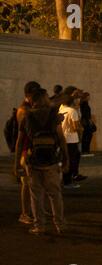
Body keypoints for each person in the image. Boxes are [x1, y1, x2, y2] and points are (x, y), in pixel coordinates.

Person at [14, 88, 69, 235]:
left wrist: (16, 165)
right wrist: (66, 159)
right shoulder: (54, 116)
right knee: (55, 194)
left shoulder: (27, 117)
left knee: (36, 196)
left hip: (34, 161)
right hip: (51, 160)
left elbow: (20, 142)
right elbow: (61, 139)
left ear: (32, 100)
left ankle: (40, 226)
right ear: (45, 99)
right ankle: (60, 224)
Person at [15, 81, 41, 225]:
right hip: (27, 151)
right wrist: (16, 163)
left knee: (34, 184)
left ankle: (32, 211)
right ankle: (25, 213)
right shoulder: (24, 110)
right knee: (27, 184)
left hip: (32, 150)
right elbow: (21, 138)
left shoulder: (30, 107)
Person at [59, 86, 87, 188]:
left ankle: (66, 180)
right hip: (72, 139)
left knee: (66, 160)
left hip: (63, 137)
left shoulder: (61, 108)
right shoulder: (72, 111)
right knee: (71, 160)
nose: (78, 99)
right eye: (76, 98)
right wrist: (81, 129)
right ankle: (67, 182)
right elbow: (76, 127)